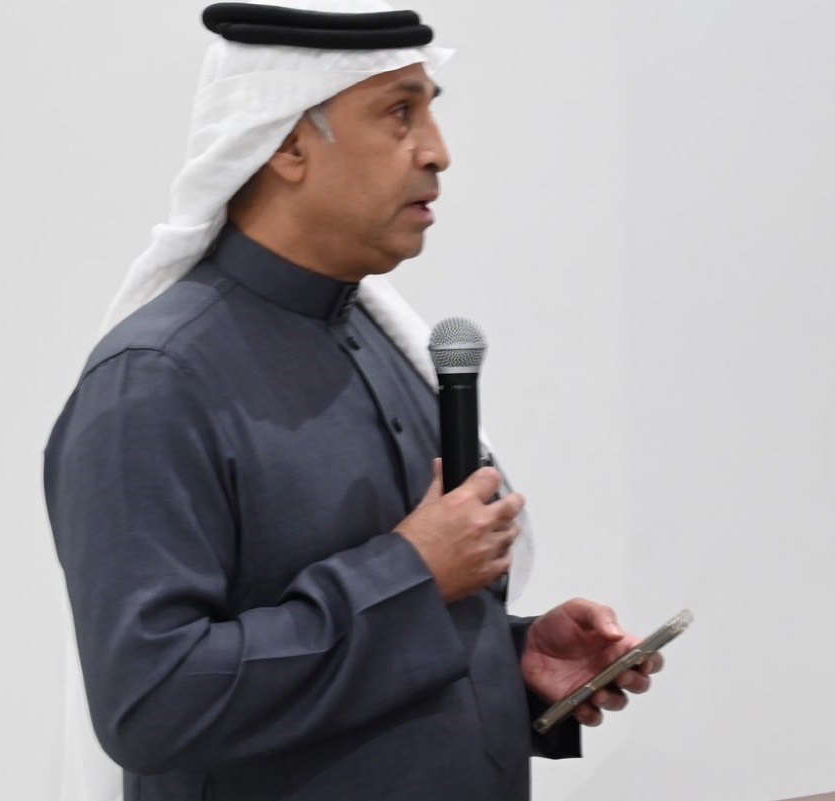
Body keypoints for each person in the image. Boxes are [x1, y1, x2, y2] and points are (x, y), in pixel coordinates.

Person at [44, 2, 664, 800]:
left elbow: (372, 653)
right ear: (289, 144)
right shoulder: (156, 382)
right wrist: (412, 572)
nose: (438, 152)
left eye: (430, 111)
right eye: (399, 113)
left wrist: (512, 658)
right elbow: (154, 701)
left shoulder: (384, 343)